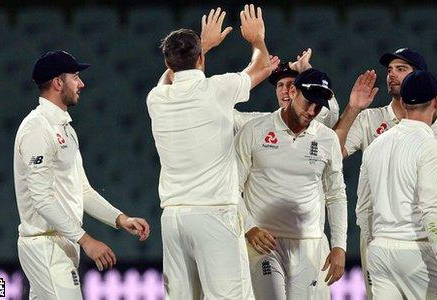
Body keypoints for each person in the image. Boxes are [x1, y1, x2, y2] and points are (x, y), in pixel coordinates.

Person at [146, 5, 278, 299]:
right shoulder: (217, 89)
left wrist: (202, 46)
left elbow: (168, 78)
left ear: (168, 61)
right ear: (201, 59)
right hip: (214, 213)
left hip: (173, 219)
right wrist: (257, 39)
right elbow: (263, 67)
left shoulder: (156, 98)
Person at [334, 48, 437, 298]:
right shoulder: (371, 120)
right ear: (435, 100)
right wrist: (352, 109)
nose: (392, 75)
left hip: (393, 244)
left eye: (401, 69)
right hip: (405, 244)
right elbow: (331, 155)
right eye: (390, 70)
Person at [14, 50, 150, 298]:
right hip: (45, 245)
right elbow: (41, 199)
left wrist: (120, 218)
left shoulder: (65, 129)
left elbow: (82, 190)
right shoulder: (37, 128)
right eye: (75, 77)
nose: (82, 84)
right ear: (58, 83)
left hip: (61, 243)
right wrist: (87, 241)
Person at [234, 68, 347, 299]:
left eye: (319, 106)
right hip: (264, 243)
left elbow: (336, 195)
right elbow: (231, 187)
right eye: (308, 102)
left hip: (309, 244)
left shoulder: (327, 139)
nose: (313, 111)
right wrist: (249, 227)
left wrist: (339, 246)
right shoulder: (254, 130)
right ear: (292, 91)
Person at [359, 70, 437, 300]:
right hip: (418, 252)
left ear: (403, 103)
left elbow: (363, 209)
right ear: (436, 102)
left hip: (380, 252)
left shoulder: (376, 146)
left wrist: (376, 246)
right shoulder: (430, 146)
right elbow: (431, 208)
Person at [233, 48, 340, 132]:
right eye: (280, 85)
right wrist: (248, 74)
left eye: (291, 85)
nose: (285, 90)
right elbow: (224, 115)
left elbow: (331, 114)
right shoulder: (258, 124)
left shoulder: (314, 122)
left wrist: (307, 70)